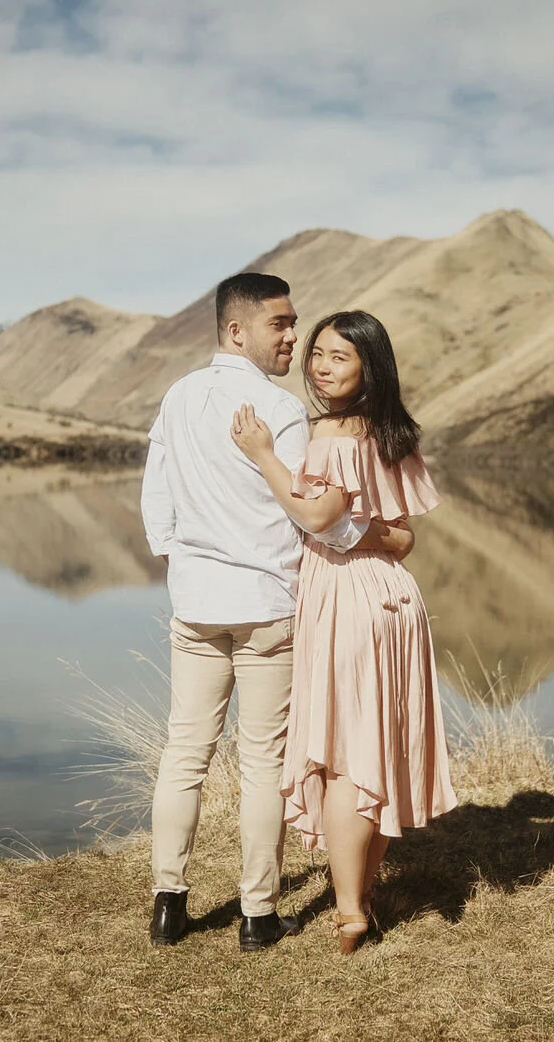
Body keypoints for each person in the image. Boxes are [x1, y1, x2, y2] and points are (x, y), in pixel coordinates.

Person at [140, 274, 416, 952]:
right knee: (262, 761)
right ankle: (258, 914)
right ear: (238, 330)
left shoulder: (177, 397)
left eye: (294, 324)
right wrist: (382, 538)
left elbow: (156, 490)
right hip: (268, 604)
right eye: (281, 325)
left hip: (198, 602)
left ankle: (168, 904)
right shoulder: (283, 411)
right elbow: (320, 517)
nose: (294, 337)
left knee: (184, 753)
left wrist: (174, 558)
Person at [230, 308, 457, 954]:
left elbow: (316, 515)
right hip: (395, 598)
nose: (321, 366)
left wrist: (265, 455)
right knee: (379, 743)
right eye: (319, 354)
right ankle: (364, 889)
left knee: (342, 760)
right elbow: (405, 537)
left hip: (348, 599)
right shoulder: (391, 432)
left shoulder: (328, 437)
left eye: (339, 357)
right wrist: (365, 530)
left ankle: (351, 909)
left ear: (368, 367)